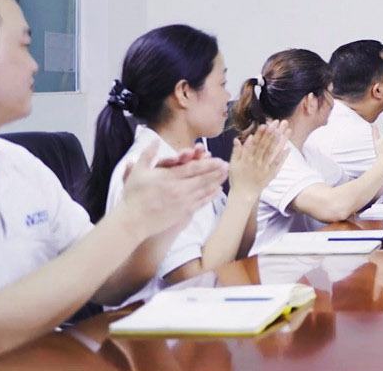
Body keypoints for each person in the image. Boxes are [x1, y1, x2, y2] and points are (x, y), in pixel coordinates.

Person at [0, 0, 227, 356]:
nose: (34, 65)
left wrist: (160, 224)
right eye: (23, 45)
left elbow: (107, 284)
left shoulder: (21, 166)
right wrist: (129, 219)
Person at [86, 25, 290, 304]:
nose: (227, 97)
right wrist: (242, 193)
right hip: (166, 325)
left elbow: (235, 253)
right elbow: (198, 280)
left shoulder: (189, 156)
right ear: (184, 93)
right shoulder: (155, 167)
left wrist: (252, 186)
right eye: (221, 84)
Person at [235, 49, 383, 252]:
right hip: (270, 270)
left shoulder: (306, 150)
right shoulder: (271, 152)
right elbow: (335, 206)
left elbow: (354, 194)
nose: (334, 103)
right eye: (329, 93)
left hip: (303, 265)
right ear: (310, 103)